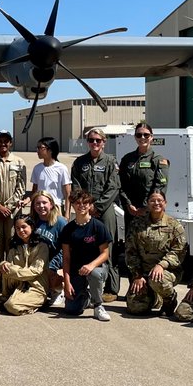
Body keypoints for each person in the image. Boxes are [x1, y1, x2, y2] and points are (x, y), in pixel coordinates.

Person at [70, 127, 121, 301]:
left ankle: (111, 288)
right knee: (83, 245)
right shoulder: (79, 163)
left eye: (98, 140)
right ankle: (84, 284)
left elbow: (113, 186)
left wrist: (97, 206)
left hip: (104, 210)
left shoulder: (110, 162)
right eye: (91, 140)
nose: (94, 143)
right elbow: (76, 185)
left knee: (107, 247)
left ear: (104, 142)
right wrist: (85, 205)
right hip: (84, 209)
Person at [125, 191, 186, 318]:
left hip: (168, 271)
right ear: (147, 204)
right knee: (135, 308)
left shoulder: (174, 225)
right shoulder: (137, 224)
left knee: (156, 278)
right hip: (144, 272)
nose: (156, 203)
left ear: (165, 203)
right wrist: (137, 275)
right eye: (152, 200)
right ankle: (154, 297)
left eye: (160, 200)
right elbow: (131, 251)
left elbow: (178, 251)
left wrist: (162, 265)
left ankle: (169, 300)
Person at [60, 190, 111, 322]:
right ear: (72, 205)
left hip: (97, 268)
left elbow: (105, 254)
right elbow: (66, 258)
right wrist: (67, 282)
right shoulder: (68, 229)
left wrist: (91, 265)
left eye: (85, 203)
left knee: (94, 274)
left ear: (90, 205)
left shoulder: (98, 226)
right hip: (76, 270)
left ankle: (98, 305)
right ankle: (86, 297)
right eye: (77, 203)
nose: (81, 206)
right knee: (72, 309)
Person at [118, 122, 169, 233]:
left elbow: (160, 186)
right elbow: (120, 184)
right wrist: (128, 204)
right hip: (131, 212)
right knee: (131, 245)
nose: (142, 138)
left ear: (151, 137)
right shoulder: (127, 159)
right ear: (135, 137)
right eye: (139, 135)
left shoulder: (158, 160)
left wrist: (146, 207)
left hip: (151, 212)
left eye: (146, 135)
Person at [0, 215, 52, 316]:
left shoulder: (42, 246)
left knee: (12, 306)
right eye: (17, 228)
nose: (21, 230)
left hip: (36, 288)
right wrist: (4, 264)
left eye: (24, 227)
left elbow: (35, 271)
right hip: (18, 287)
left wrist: (13, 270)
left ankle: (38, 303)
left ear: (31, 227)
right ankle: (5, 298)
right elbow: (9, 268)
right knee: (5, 267)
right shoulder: (14, 247)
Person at [0, 131, 27, 263]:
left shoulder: (19, 162)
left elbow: (21, 186)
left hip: (13, 211)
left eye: (6, 141)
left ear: (10, 143)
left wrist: (9, 207)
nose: (3, 144)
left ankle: (10, 276)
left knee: (12, 241)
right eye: (0, 141)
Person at [31, 191, 68, 306]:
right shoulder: (32, 221)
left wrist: (54, 264)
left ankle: (57, 291)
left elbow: (66, 249)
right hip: (37, 257)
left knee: (50, 269)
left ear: (51, 204)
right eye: (37, 203)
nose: (41, 206)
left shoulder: (60, 222)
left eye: (44, 203)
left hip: (55, 260)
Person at [26, 137, 71, 211]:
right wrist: (27, 201)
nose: (37, 151)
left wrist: (67, 215)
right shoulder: (37, 168)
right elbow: (34, 192)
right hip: (40, 209)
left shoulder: (62, 168)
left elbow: (68, 194)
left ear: (50, 150)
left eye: (40, 148)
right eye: (37, 148)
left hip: (56, 208)